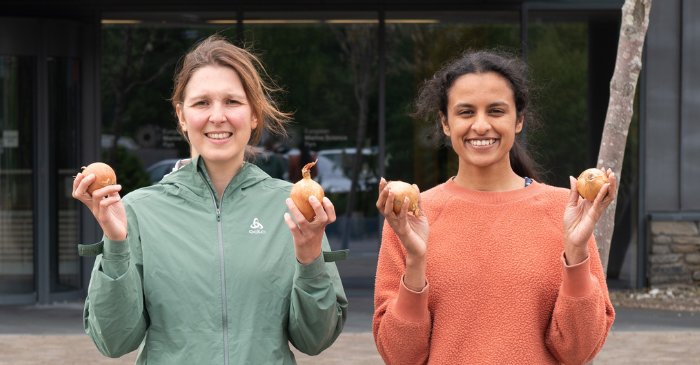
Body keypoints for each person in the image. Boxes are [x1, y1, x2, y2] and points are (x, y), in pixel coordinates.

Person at [73, 35, 347, 364]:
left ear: (255, 114)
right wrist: (116, 246)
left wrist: (310, 260)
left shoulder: (292, 209)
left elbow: (315, 339)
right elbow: (114, 341)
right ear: (182, 116)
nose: (217, 116)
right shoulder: (137, 211)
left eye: (232, 101)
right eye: (202, 103)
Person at [373, 50, 616, 364]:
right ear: (445, 123)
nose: (481, 125)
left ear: (519, 120)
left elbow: (578, 351)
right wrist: (417, 261)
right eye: (466, 112)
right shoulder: (411, 217)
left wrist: (577, 252)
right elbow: (400, 356)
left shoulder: (565, 212)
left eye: (496, 110)